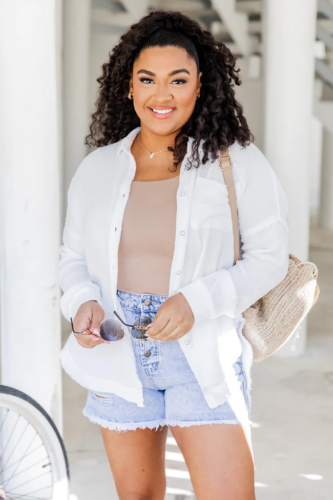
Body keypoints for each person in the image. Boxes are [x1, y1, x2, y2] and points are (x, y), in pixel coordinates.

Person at [59, 10, 289, 500]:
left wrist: (196, 302)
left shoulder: (237, 161)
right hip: (118, 348)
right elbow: (72, 258)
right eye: (148, 79)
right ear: (129, 87)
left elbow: (270, 255)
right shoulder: (98, 169)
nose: (161, 95)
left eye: (177, 80)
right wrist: (82, 303)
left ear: (200, 85)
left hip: (201, 351)